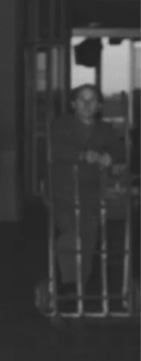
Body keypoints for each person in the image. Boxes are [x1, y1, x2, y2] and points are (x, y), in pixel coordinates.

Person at [49, 84, 126, 295]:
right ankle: (69, 284)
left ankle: (82, 285)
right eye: (82, 99)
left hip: (92, 193)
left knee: (89, 237)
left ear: (99, 106)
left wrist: (112, 157)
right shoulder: (61, 125)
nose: (87, 104)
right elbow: (57, 149)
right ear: (74, 103)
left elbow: (120, 151)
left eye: (92, 100)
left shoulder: (105, 130)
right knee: (70, 235)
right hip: (65, 191)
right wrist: (84, 155)